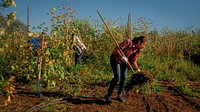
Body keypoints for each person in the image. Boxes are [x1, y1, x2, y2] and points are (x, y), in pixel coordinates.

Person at [105, 36, 147, 103]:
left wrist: (138, 70)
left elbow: (134, 60)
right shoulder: (128, 42)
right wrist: (122, 57)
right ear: (139, 42)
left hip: (124, 63)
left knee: (124, 78)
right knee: (117, 77)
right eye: (143, 44)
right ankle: (108, 95)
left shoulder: (138, 50)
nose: (144, 46)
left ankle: (119, 95)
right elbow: (116, 49)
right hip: (116, 60)